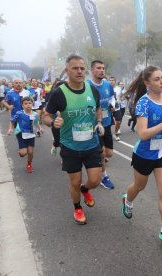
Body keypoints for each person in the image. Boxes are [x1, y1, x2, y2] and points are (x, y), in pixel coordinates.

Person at [121, 66, 162, 246]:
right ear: (147, 83)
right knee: (139, 187)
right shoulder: (143, 103)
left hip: (161, 152)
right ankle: (128, 200)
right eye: (157, 79)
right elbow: (143, 134)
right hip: (144, 154)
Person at [43, 54, 104, 225]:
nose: (79, 71)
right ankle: (77, 207)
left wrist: (99, 122)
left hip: (91, 144)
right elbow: (45, 116)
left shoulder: (93, 90)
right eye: (75, 68)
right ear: (67, 70)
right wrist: (53, 122)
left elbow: (98, 109)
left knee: (95, 180)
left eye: (82, 68)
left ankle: (86, 190)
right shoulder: (58, 93)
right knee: (75, 181)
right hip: (70, 146)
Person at [87, 60, 116, 190]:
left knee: (109, 153)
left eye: (103, 68)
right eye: (98, 68)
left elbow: (111, 98)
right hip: (94, 125)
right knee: (102, 153)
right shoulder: (86, 86)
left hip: (107, 123)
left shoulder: (108, 85)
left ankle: (96, 161)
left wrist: (112, 105)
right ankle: (104, 176)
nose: (102, 70)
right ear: (92, 70)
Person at [7, 97, 42, 173]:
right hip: (21, 134)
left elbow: (36, 123)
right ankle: (20, 152)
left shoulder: (35, 114)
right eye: (25, 103)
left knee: (30, 152)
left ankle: (29, 164)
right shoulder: (19, 113)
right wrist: (10, 128)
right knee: (23, 153)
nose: (28, 105)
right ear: (22, 105)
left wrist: (40, 128)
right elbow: (12, 120)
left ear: (32, 104)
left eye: (29, 103)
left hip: (31, 134)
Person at [109, 77, 126, 141]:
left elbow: (121, 97)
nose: (111, 81)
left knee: (118, 121)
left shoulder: (119, 88)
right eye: (110, 80)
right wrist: (110, 106)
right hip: (109, 108)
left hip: (117, 107)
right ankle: (106, 135)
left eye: (112, 80)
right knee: (108, 124)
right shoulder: (107, 88)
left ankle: (116, 133)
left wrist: (123, 98)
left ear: (115, 81)